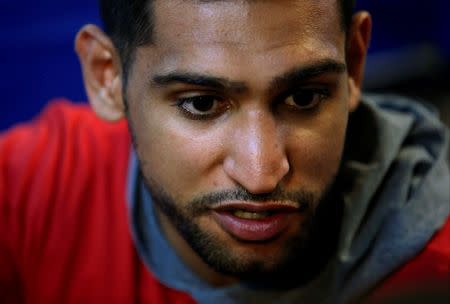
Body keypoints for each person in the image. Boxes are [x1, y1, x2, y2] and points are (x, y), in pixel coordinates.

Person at [1, 0, 449, 303]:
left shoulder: (435, 269)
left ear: (354, 63)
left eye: (305, 98)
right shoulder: (32, 190)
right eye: (201, 103)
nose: (261, 174)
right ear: (107, 77)